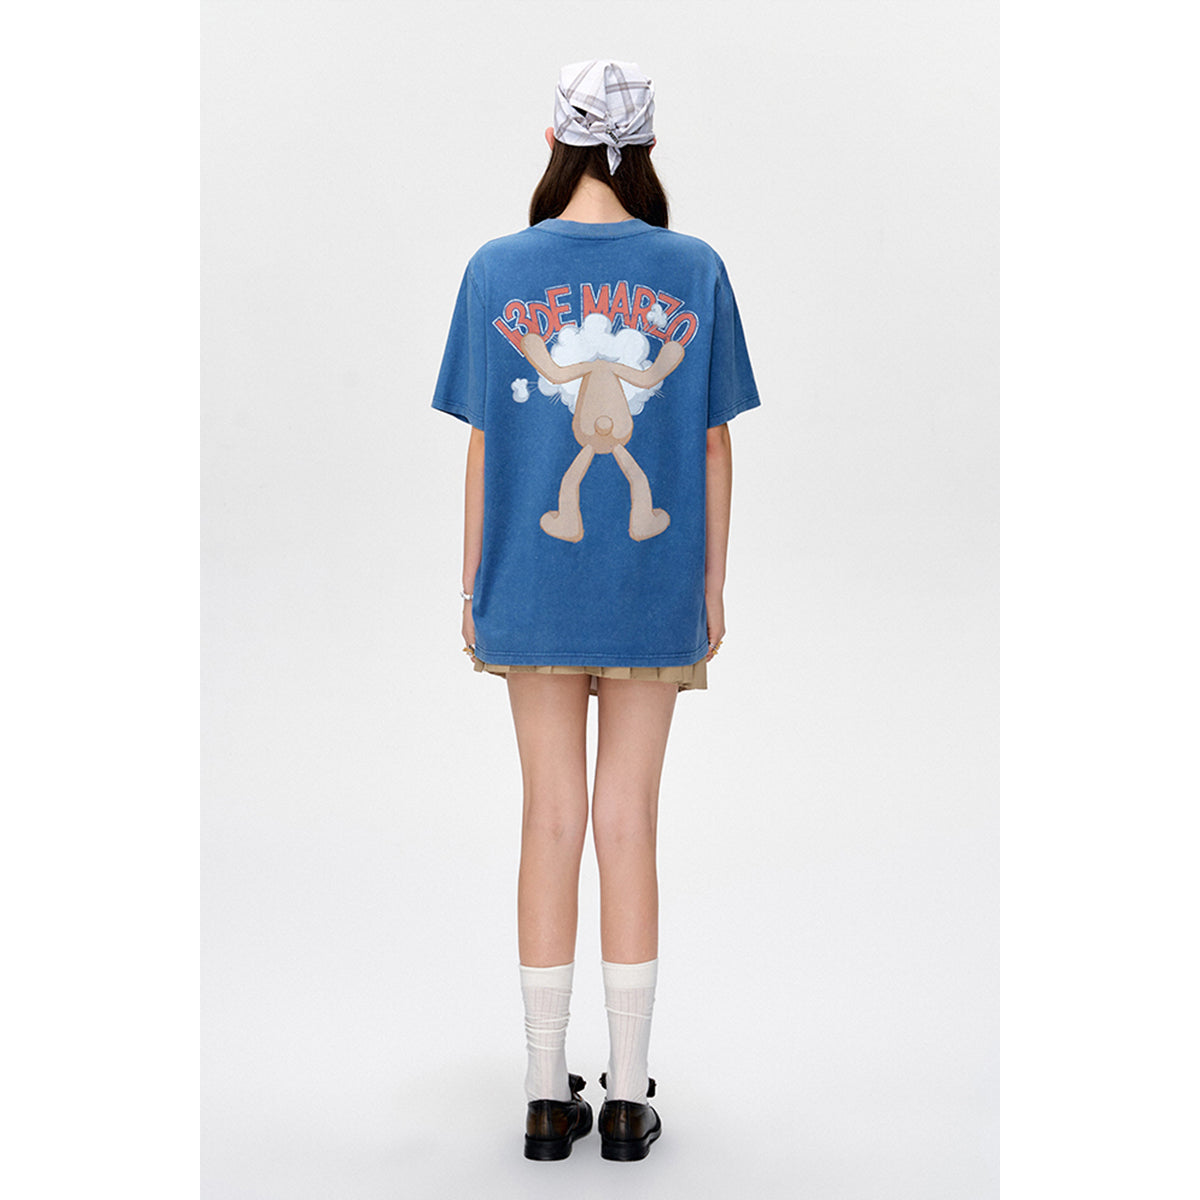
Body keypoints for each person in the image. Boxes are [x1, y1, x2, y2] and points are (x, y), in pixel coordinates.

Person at [430, 58, 761, 1162]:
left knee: (549, 820)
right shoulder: (694, 267)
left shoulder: (496, 269)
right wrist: (710, 583)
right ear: (648, 146)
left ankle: (541, 1090)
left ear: (552, 141)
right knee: (629, 823)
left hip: (529, 589)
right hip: (652, 594)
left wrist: (473, 584)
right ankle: (623, 1095)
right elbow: (712, 444)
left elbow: (485, 445)